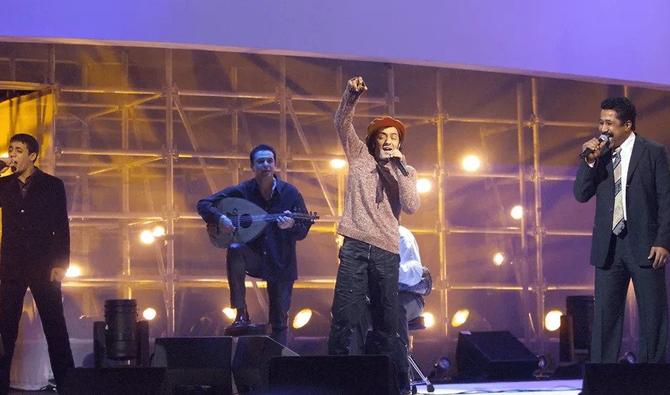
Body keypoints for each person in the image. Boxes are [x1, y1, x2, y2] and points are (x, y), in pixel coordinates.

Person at [328, 76, 420, 394]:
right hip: (354, 245)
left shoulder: (405, 171)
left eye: (394, 136)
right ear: (373, 140)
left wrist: (403, 169)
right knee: (346, 317)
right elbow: (341, 121)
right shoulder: (359, 156)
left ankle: (394, 386)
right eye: (383, 135)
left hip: (386, 251)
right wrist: (352, 95)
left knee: (388, 323)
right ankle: (339, 384)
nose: (388, 140)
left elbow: (411, 206)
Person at [574, 97, 670, 363]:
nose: (603, 129)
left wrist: (664, 241)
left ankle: (654, 380)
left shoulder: (652, 151)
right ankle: (603, 380)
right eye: (601, 122)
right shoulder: (599, 156)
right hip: (609, 247)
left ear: (627, 125)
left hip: (646, 244)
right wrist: (590, 162)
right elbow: (581, 194)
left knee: (653, 317)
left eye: (610, 123)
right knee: (605, 317)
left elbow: (666, 199)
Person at [197, 144, 312, 345]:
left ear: (275, 165)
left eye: (269, 161)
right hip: (255, 257)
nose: (266, 165)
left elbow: (302, 230)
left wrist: (291, 225)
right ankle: (241, 313)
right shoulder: (243, 191)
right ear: (252, 166)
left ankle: (277, 364)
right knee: (235, 250)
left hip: (280, 262)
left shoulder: (290, 193)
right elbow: (204, 203)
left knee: (279, 323)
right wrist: (220, 218)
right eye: (260, 161)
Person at [0, 133, 74, 394]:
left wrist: (61, 263)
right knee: (4, 329)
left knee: (55, 327)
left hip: (44, 265)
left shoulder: (52, 185)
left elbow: (61, 226)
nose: (13, 154)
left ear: (32, 156)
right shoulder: (4, 185)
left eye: (18, 150)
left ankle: (68, 385)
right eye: (11, 150)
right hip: (11, 266)